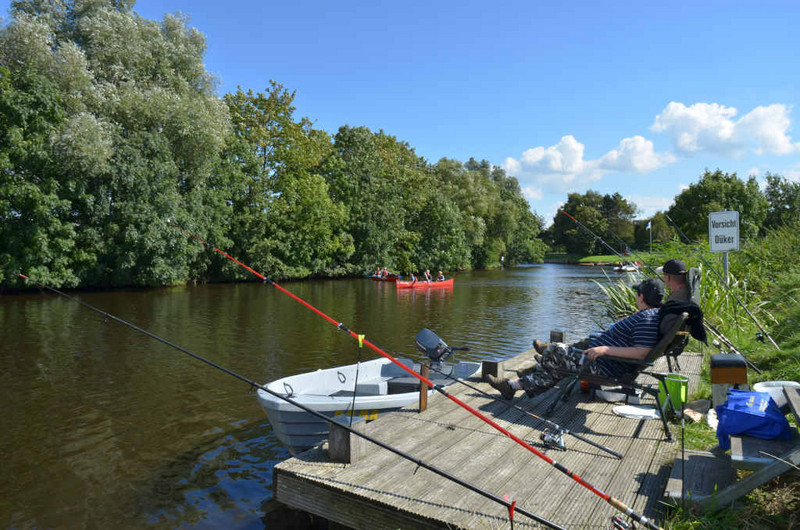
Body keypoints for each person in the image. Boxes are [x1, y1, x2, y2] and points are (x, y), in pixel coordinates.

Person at [485, 278, 665, 400]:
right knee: (554, 365)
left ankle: (516, 382)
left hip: (604, 365)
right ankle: (512, 385)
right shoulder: (648, 315)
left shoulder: (647, 319)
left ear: (641, 296)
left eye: (637, 293)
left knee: (554, 350)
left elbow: (642, 353)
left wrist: (604, 350)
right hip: (604, 362)